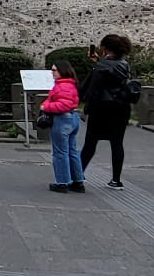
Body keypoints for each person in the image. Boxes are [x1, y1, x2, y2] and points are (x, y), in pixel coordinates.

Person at [80, 33, 139, 189]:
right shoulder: (124, 65)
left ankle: (78, 173)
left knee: (90, 143)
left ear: (105, 48)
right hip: (121, 108)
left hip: (101, 107)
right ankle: (116, 179)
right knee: (117, 143)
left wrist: (86, 108)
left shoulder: (101, 67)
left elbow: (94, 89)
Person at [39, 60, 86, 193]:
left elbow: (63, 105)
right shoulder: (70, 84)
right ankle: (78, 181)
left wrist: (45, 106)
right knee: (72, 152)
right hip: (73, 118)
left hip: (62, 119)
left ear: (62, 71)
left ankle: (62, 182)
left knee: (60, 152)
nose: (52, 72)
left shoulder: (62, 86)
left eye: (54, 70)